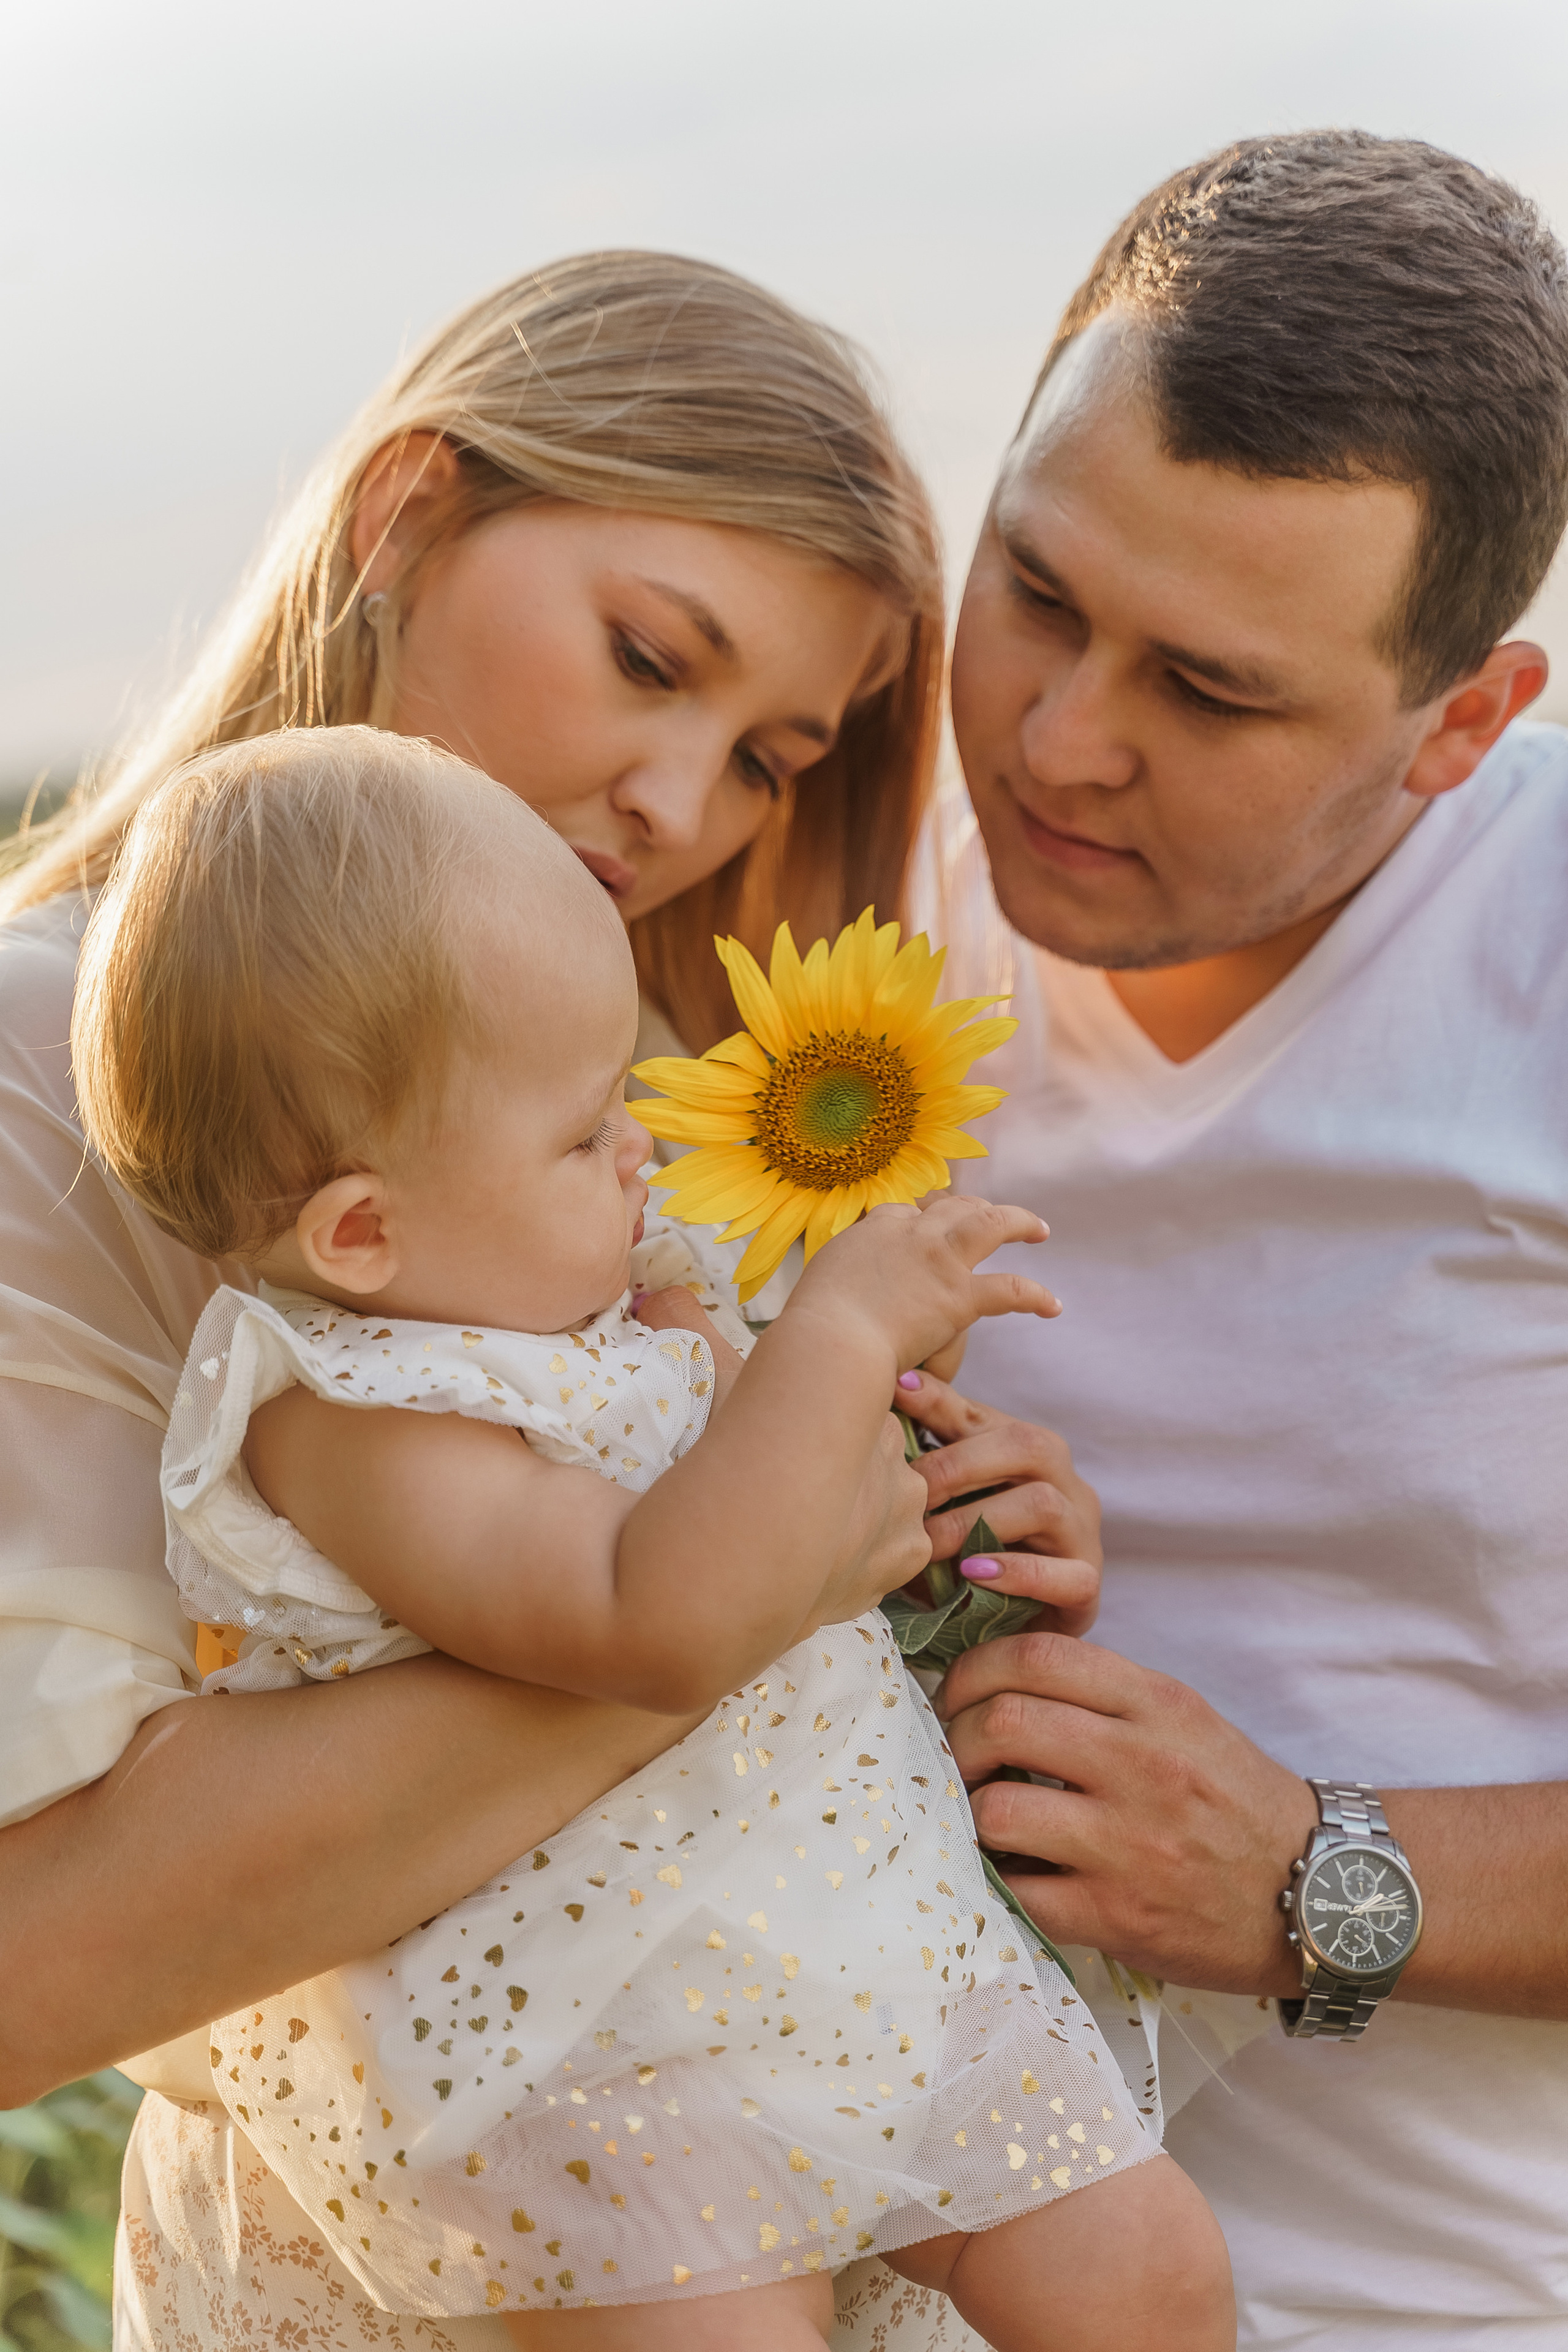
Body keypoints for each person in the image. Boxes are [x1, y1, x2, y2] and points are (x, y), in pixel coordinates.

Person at [0, 252, 1101, 2352]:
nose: (684, 808)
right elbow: (31, 1960)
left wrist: (937, 1566)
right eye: (645, 658)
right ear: (405, 513)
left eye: (775, 753)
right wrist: (747, 1571)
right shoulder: (35, 1078)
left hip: (834, 2184)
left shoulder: (641, 1135)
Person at [69, 725, 1229, 2350]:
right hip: (594, 2037)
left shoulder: (592, 1290)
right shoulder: (343, 1412)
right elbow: (652, 1612)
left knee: (1149, 2280)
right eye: (580, 1128)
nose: (639, 1149)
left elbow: (806, 1508)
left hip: (853, 1928)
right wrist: (825, 1344)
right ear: (362, 1230)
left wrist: (916, 1447)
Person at [921, 129, 1568, 2346]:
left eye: (1208, 693)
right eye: (1034, 592)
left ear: (1465, 723)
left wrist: (1319, 1875)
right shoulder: (798, 820)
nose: (1055, 739)